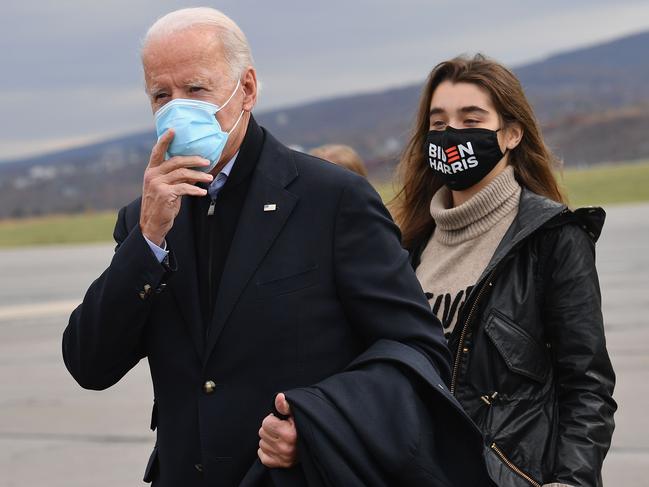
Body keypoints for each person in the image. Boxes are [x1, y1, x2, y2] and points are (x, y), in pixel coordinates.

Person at [62, 8, 488, 487]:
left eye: (197, 89)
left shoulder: (331, 199)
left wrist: (319, 422)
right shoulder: (146, 219)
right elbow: (89, 364)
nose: (178, 107)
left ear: (246, 89)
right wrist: (147, 241)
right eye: (162, 95)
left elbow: (418, 349)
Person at [390, 54, 617, 487]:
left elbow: (587, 385)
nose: (451, 134)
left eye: (471, 119)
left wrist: (572, 480)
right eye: (438, 125)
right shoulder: (405, 246)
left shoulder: (551, 238)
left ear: (511, 134)